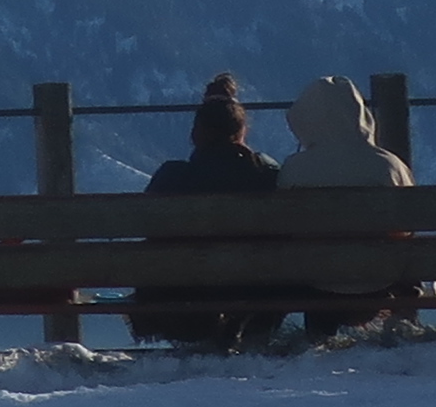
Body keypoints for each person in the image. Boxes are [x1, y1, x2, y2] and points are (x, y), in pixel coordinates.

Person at [133, 73, 288, 346]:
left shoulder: (172, 176)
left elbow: (147, 228)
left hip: (183, 289)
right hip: (258, 288)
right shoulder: (267, 175)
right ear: (242, 132)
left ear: (195, 135)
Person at [275, 70, 420, 339]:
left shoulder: (295, 170)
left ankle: (318, 335)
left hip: (315, 282)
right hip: (380, 279)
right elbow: (407, 226)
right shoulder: (388, 165)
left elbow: (286, 229)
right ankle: (404, 325)